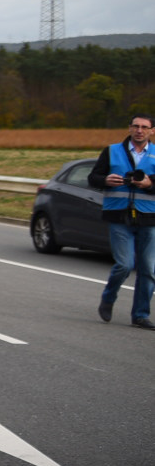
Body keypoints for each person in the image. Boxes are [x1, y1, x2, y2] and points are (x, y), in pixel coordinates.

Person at [88, 114, 155, 328]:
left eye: (144, 127)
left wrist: (148, 184)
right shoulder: (112, 150)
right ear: (129, 128)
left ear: (152, 131)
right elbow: (93, 178)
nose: (139, 130)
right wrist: (105, 180)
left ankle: (140, 315)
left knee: (148, 270)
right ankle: (108, 297)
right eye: (135, 126)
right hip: (118, 215)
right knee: (124, 265)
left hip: (149, 217)